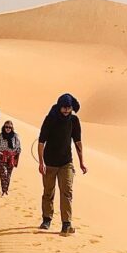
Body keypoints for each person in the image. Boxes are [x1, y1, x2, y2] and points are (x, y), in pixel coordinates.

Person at [37, 93, 87, 234]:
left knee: (67, 192)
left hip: (66, 162)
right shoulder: (50, 119)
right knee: (48, 192)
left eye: (68, 108)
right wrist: (41, 163)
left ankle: (66, 223)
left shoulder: (74, 121)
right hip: (50, 162)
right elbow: (41, 142)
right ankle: (47, 219)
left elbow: (78, 142)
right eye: (64, 108)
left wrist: (81, 162)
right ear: (59, 107)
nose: (66, 110)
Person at [0, 120, 21, 196]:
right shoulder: (0, 136)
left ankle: (6, 190)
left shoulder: (15, 136)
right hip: (2, 156)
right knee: (3, 173)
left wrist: (16, 160)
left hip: (12, 157)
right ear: (4, 127)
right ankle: (3, 189)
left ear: (12, 128)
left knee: (8, 174)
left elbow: (18, 149)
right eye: (6, 127)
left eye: (10, 127)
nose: (8, 129)